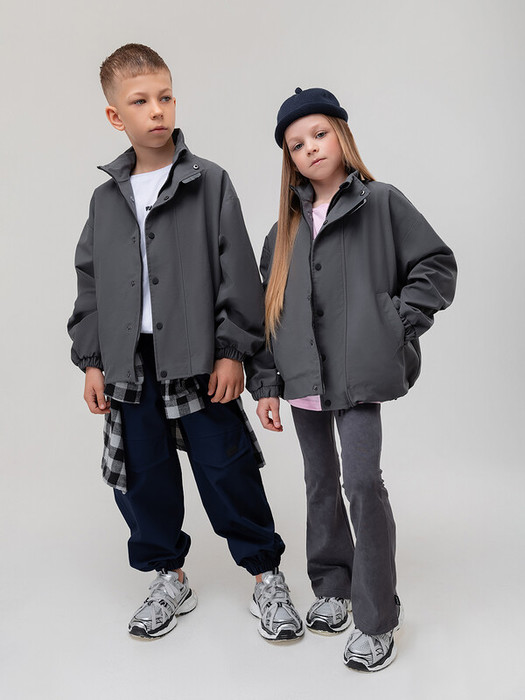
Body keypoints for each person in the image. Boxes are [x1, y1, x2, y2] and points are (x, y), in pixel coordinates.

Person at [67, 44, 303, 643]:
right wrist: (92, 362)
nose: (157, 110)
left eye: (165, 97)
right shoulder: (105, 199)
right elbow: (91, 283)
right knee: (143, 476)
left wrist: (232, 350)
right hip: (129, 364)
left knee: (227, 468)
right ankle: (167, 575)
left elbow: (238, 275)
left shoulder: (209, 182)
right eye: (140, 101)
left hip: (199, 358)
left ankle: (266, 574)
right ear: (115, 116)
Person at [255, 87, 457, 670]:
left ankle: (376, 617)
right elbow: (267, 312)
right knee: (320, 482)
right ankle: (332, 586)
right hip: (302, 378)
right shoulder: (283, 232)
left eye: (319, 134)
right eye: (297, 145)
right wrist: (266, 384)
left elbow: (435, 264)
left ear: (341, 135)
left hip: (359, 374)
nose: (311, 149)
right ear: (290, 159)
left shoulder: (382, 202)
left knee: (362, 483)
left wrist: (395, 322)